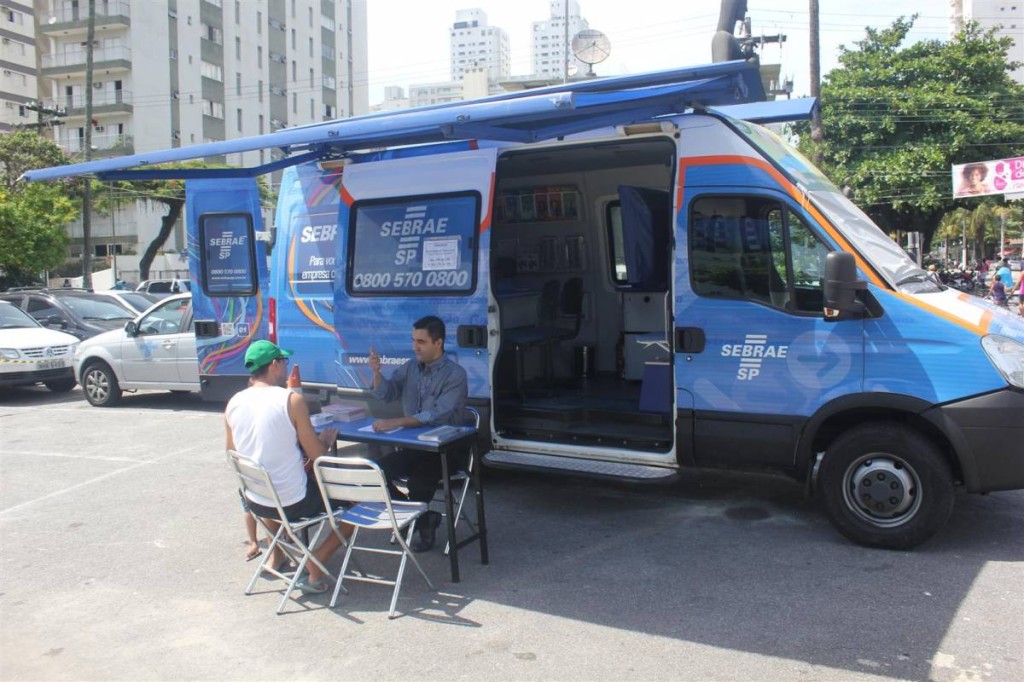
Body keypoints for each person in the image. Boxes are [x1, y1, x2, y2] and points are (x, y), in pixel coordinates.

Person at [225, 339, 348, 594]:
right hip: (292, 500)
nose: (285, 366)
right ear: (274, 365)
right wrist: (325, 441)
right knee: (359, 502)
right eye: (284, 361)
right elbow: (317, 456)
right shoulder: (290, 400)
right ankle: (315, 566)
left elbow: (232, 453)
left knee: (272, 493)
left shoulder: (234, 402)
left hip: (256, 500)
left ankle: (278, 554)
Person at [368, 315, 468, 552]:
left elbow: (438, 414)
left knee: (419, 482)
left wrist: (396, 421)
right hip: (412, 446)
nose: (415, 347)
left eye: (421, 342)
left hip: (445, 449)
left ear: (438, 343)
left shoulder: (456, 374)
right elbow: (387, 393)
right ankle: (421, 519)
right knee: (373, 473)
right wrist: (376, 372)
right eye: (413, 340)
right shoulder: (410, 367)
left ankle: (410, 520)